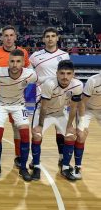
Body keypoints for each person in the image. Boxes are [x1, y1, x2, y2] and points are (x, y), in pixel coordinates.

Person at [0, 49, 37, 181]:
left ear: (23, 63)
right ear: (8, 62)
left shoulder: (30, 74)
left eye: (18, 61)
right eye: (12, 61)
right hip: (1, 104)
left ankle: (23, 168)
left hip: (19, 105)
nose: (15, 64)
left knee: (26, 134)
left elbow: (41, 82)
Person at [31, 60, 83, 181]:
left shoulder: (78, 85)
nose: (65, 77)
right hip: (44, 113)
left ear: (73, 74)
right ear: (57, 73)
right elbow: (43, 107)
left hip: (61, 112)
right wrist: (40, 125)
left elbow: (74, 107)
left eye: (69, 73)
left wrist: (70, 125)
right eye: (62, 73)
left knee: (70, 136)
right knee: (37, 135)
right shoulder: (49, 84)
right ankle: (36, 166)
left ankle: (65, 167)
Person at [0, 25, 30, 170]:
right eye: (5, 35)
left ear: (15, 37)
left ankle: (18, 156)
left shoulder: (23, 53)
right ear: (1, 37)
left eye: (11, 35)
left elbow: (28, 72)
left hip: (17, 97)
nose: (8, 38)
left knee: (17, 127)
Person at [29, 27, 70, 169]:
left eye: (53, 36)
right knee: (37, 133)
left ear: (57, 38)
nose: (50, 38)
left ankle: (62, 158)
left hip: (60, 101)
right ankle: (35, 162)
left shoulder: (64, 55)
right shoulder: (35, 56)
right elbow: (30, 74)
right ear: (43, 39)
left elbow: (69, 77)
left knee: (62, 132)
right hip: (42, 101)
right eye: (47, 36)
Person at [71, 72, 101, 180]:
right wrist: (82, 123)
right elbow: (82, 103)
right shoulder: (93, 80)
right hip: (87, 109)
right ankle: (77, 166)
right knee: (81, 135)